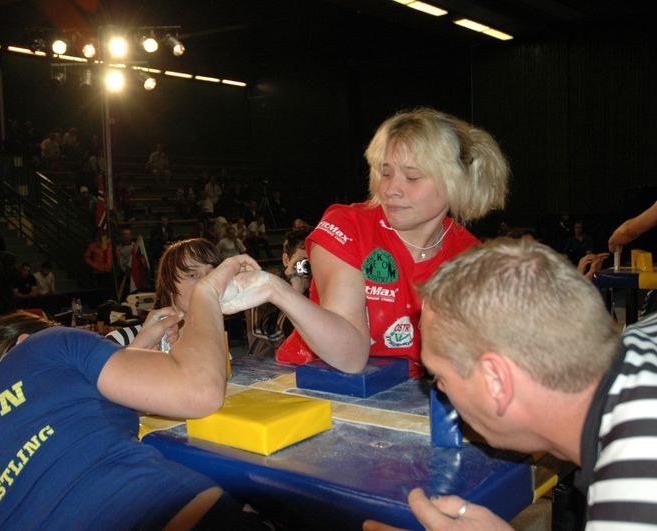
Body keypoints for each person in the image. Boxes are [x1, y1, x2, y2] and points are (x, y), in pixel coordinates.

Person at [0, 255, 272, 530]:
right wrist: (206, 295)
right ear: (24, 342)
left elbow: (82, 411)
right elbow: (201, 391)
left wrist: (142, 342)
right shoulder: (43, 346)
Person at [362, 237, 657, 530]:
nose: (439, 390)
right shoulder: (643, 337)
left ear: (496, 382)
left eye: (439, 378)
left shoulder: (631, 497)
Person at [224, 107, 509, 375]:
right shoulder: (346, 226)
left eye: (412, 177)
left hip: (410, 399)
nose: (391, 189)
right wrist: (277, 290)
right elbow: (349, 357)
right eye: (385, 173)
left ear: (455, 183)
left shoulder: (470, 257)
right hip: (317, 386)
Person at [246, 227, 313, 357]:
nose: (309, 268)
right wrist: (296, 293)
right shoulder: (265, 288)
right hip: (272, 368)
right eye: (303, 261)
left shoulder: (322, 287)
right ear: (287, 260)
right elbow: (276, 337)